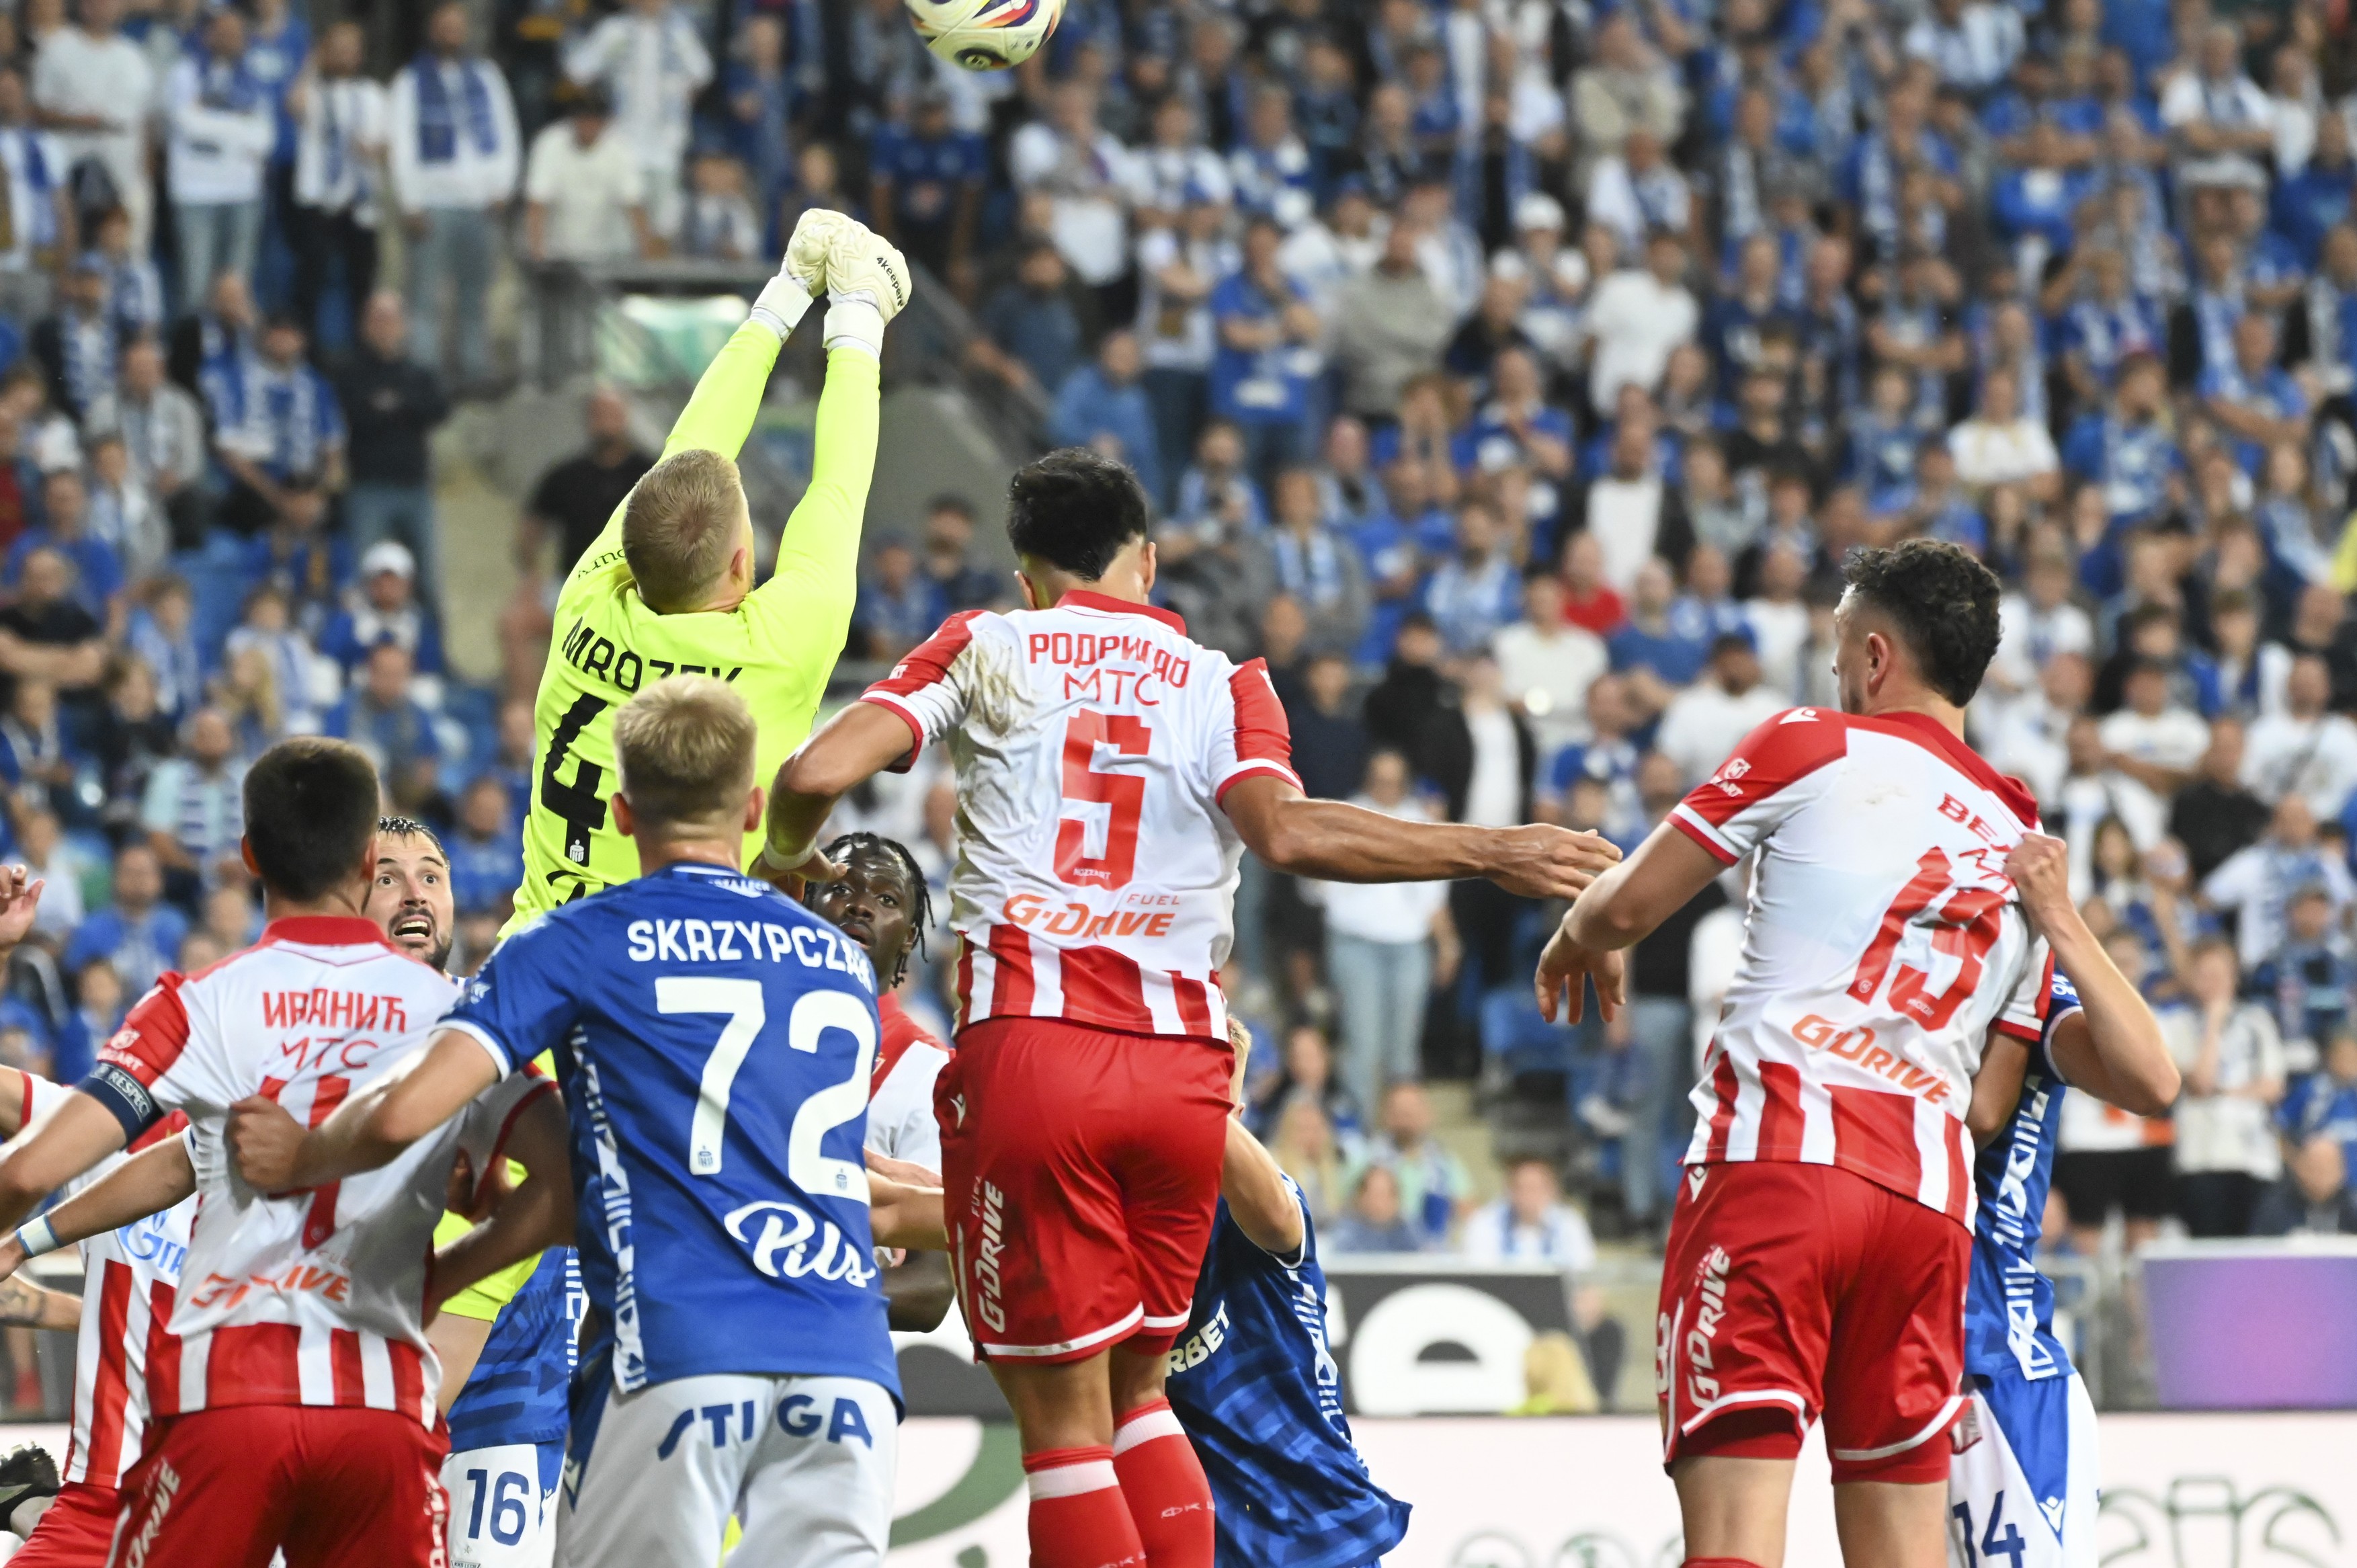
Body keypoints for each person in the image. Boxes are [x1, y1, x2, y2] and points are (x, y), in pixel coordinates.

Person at [759, 445, 1616, 1568]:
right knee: (1143, 1391)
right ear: (1148, 563)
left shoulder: (986, 642)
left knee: (1062, 1429)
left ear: (1028, 579)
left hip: (1036, 1058)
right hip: (1183, 1078)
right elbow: (1289, 833)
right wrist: (1489, 849)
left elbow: (816, 775)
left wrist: (780, 862)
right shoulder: (1223, 679)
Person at [229, 677, 946, 1568]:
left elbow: (414, 1102)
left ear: (620, 809)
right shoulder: (838, 966)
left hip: (678, 1349)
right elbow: (850, 1185)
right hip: (846, 1370)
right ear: (754, 806)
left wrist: (304, 1149)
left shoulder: (574, 940)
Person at [1534, 540, 2055, 1567]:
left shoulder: (1809, 743)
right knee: (1903, 1548)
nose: (1829, 679)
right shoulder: (2021, 836)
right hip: (1923, 1206)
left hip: (1776, 1168)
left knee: (1731, 1544)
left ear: (1870, 656)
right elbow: (1990, 1106)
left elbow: (1633, 902)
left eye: (1831, 657)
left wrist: (1572, 935)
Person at [0, 738, 569, 1567]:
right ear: (364, 856)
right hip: (382, 1416)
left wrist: (19, 1228)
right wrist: (447, 1272)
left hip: (230, 1406)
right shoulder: (459, 1021)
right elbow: (571, 1187)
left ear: (249, 857)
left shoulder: (198, 1008)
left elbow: (32, 1168)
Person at [508, 210, 906, 925]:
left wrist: (785, 296)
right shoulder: (778, 647)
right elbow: (837, 488)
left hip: (530, 966)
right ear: (743, 563)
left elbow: (688, 448)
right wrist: (856, 312)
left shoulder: (589, 597)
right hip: (665, 978)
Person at [1951, 831, 2180, 1568]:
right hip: (1893, 1366)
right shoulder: (1866, 991)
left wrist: (2057, 915)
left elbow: (2154, 1080)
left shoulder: (2024, 985)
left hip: (1997, 1369)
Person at [362, 815, 582, 1568]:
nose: (414, 893)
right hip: (361, 1375)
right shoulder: (308, 1039)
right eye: (387, 876)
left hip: (504, 1383)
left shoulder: (504, 1027)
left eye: (432, 875)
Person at [1162, 1024, 1412, 1568]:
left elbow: (1267, 1206)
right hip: (1212, 1535)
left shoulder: (1268, 1205)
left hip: (1311, 1526)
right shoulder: (1132, 1217)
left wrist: (1187, 1085)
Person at [802, 829, 956, 1332]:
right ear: (806, 906)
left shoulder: (927, 1072)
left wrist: (781, 1298)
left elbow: (931, 1288)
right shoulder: (752, 1035)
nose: (860, 907)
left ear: (910, 936)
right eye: (841, 888)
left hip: (837, 1364)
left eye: (886, 898)